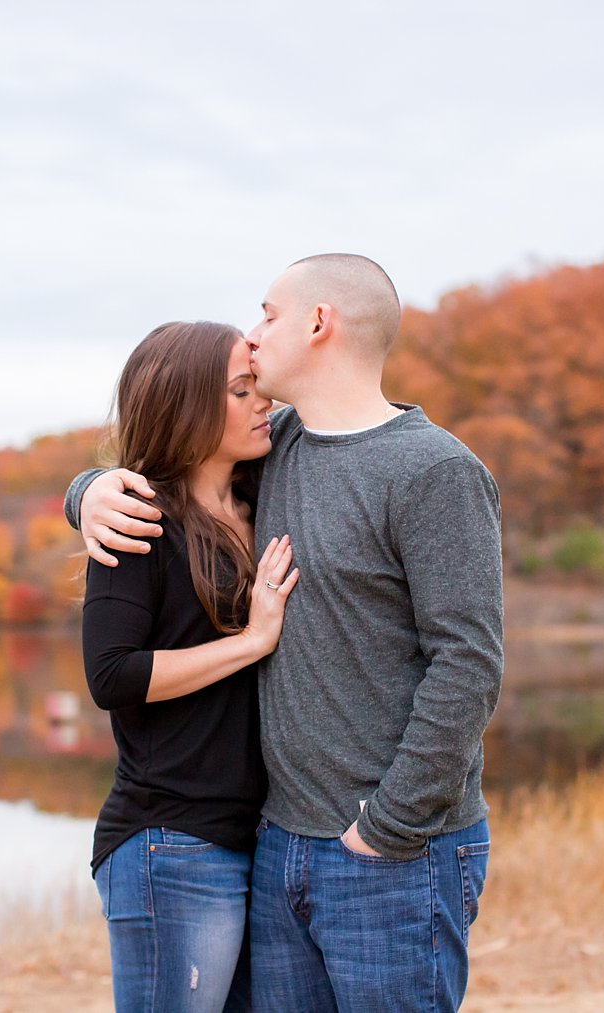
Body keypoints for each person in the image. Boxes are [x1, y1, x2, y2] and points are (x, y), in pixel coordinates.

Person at [67, 255, 503, 1011]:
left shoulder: (433, 470)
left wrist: (386, 827)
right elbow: (172, 457)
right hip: (275, 848)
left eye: (268, 314)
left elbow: (467, 665)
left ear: (318, 323)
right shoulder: (280, 450)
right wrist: (91, 490)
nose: (255, 334)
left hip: (386, 850)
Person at [81, 319, 301, 1012]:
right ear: (190, 407)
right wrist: (250, 639)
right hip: (169, 841)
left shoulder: (265, 499)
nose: (263, 401)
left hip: (255, 838)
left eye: (258, 386)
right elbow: (111, 675)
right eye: (242, 391)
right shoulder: (138, 518)